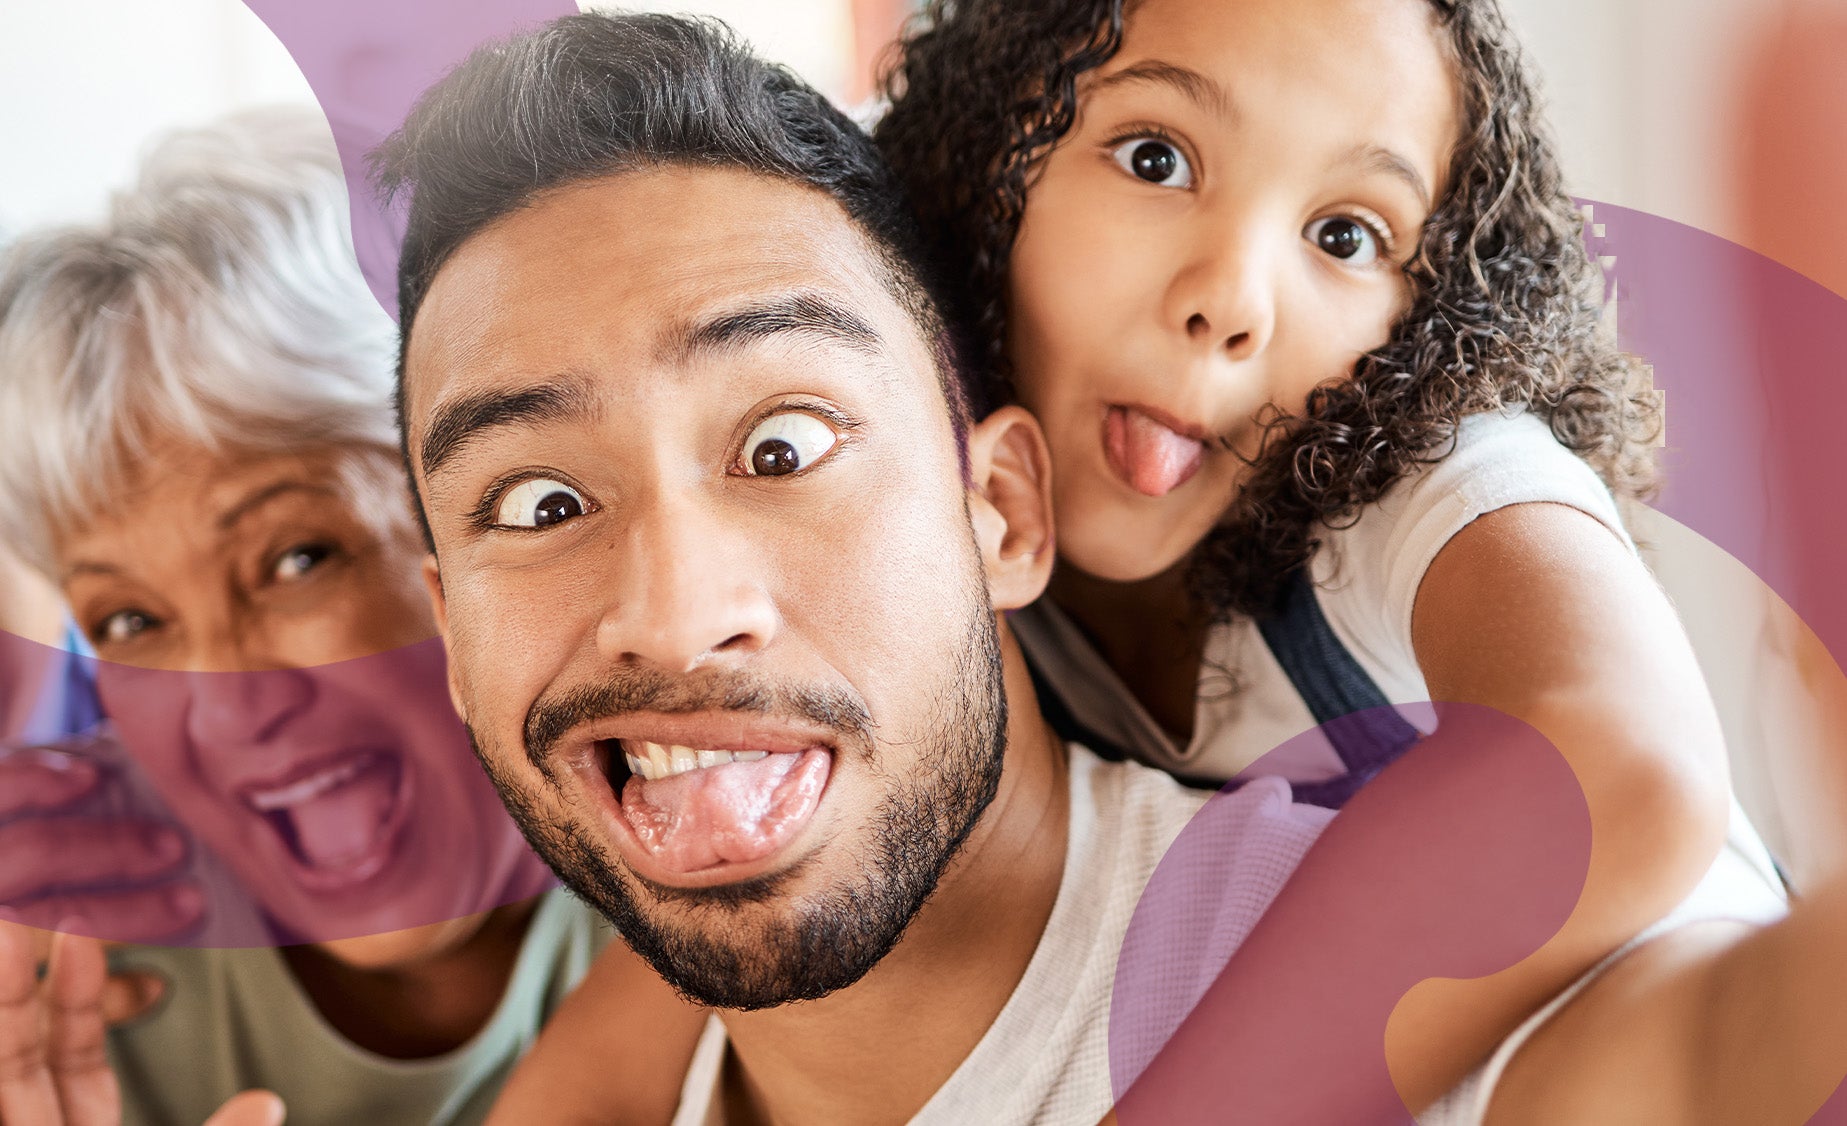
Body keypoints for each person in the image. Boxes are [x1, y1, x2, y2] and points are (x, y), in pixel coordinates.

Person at [373, 14, 1341, 1125]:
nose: (676, 618)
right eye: (540, 504)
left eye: (781, 447)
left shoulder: (1393, 985)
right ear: (452, 638)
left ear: (1001, 514)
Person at [874, 0, 1788, 1108]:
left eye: (1344, 236)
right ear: (980, 160)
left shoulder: (1417, 467)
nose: (1229, 299)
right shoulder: (932, 519)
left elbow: (1614, 766)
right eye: (1155, 159)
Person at [0, 107, 701, 1126]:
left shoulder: (719, 874)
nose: (225, 709)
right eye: (127, 623)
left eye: (295, 560)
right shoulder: (58, 979)